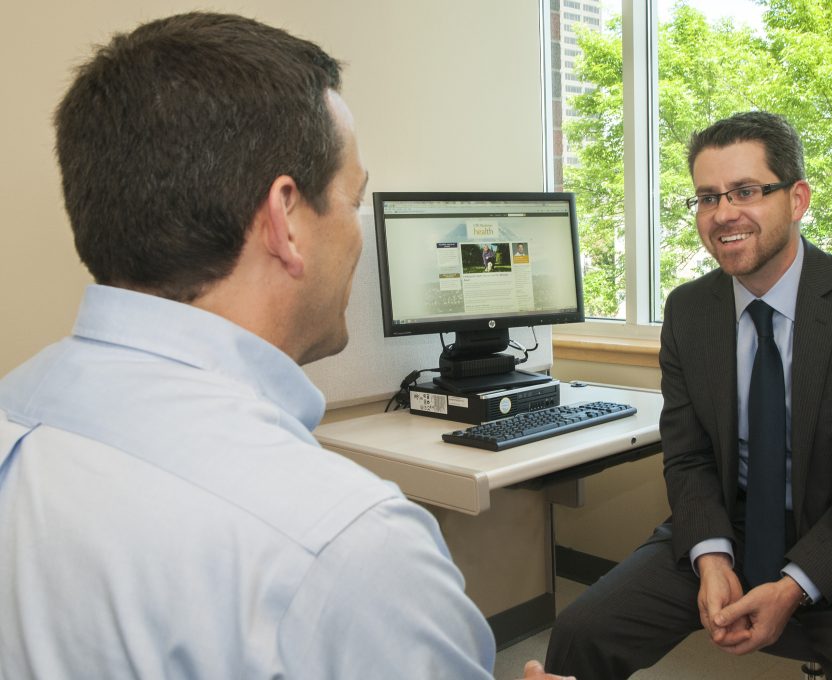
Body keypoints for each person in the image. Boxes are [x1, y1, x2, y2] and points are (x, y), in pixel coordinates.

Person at [0, 13, 568, 680]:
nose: (358, 235)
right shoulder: (353, 548)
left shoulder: (17, 413)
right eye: (353, 201)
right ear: (286, 220)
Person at [544, 111, 832, 680]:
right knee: (580, 631)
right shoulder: (689, 311)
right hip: (728, 525)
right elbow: (688, 458)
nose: (724, 214)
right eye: (708, 198)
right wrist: (709, 556)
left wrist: (793, 586)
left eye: (746, 191)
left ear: (797, 199)